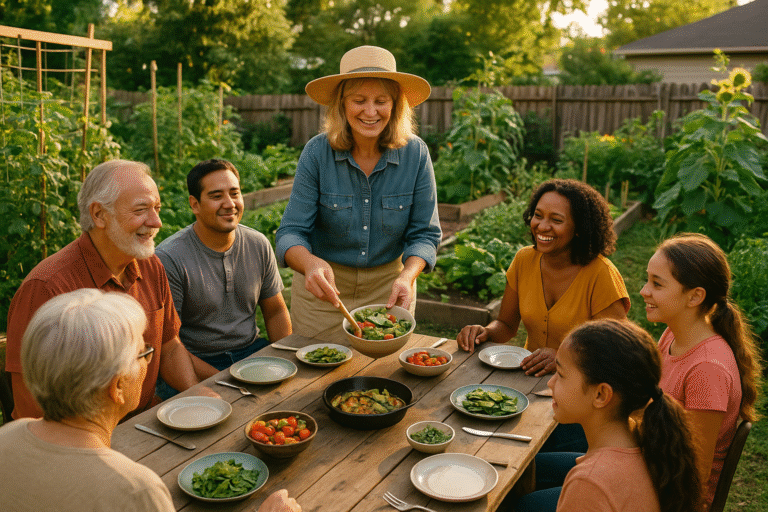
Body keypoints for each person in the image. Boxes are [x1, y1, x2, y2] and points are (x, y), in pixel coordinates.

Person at [0, 289, 301, 512]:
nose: (147, 361)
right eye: (142, 354)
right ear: (117, 387)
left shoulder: (7, 436)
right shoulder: (134, 490)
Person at [5, 159, 218, 420]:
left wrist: (194, 391)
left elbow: (169, 346)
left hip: (145, 418)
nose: (156, 221)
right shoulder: (47, 288)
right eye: (141, 210)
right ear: (98, 215)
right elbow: (32, 407)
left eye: (157, 208)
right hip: (79, 437)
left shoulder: (150, 266)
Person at [275, 45, 442, 342]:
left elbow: (425, 235)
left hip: (388, 290)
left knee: (380, 379)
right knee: (315, 381)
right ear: (341, 104)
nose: (370, 111)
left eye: (381, 101)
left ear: (396, 105)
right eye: (359, 100)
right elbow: (291, 232)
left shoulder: (415, 154)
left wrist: (407, 276)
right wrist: (310, 264)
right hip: (324, 292)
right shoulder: (316, 153)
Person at [514, 319, 702, 512]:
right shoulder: (651, 446)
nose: (551, 383)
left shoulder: (589, 483)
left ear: (601, 394)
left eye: (560, 375)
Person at [457, 178, 630, 377]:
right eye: (538, 216)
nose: (542, 226)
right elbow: (506, 325)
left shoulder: (601, 274)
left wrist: (562, 357)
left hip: (581, 384)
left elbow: (616, 349)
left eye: (556, 220)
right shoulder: (524, 260)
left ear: (579, 228)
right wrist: (485, 332)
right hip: (530, 377)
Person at [640, 233, 762, 509]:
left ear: (695, 296)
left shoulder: (707, 369)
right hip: (647, 467)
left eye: (656, 284)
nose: (644, 291)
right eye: (647, 280)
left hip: (669, 497)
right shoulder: (672, 336)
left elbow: (695, 474)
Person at [156, 158, 291, 372]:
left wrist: (285, 360)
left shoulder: (258, 244)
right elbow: (169, 343)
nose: (229, 204)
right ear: (195, 204)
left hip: (251, 351)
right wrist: (226, 379)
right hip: (197, 360)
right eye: (216, 196)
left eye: (235, 193)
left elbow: (275, 312)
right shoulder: (170, 257)